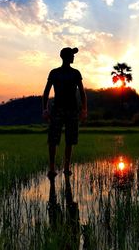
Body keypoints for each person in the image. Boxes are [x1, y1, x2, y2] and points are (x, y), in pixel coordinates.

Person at [42, 47, 87, 178]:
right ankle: (52, 168)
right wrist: (45, 109)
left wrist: (84, 109)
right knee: (53, 139)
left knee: (69, 139)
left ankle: (66, 167)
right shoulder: (55, 73)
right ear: (66, 57)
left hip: (71, 110)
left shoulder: (75, 73)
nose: (74, 57)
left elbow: (82, 93)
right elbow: (46, 92)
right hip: (58, 110)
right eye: (72, 55)